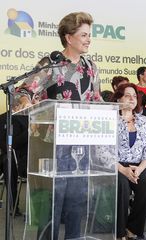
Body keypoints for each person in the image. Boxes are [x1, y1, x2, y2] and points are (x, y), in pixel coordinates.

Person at [25, 12, 103, 239]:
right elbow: (25, 90)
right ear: (69, 38)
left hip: (82, 142)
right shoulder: (51, 63)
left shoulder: (91, 67)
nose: (89, 39)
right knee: (54, 201)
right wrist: (25, 99)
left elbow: (96, 100)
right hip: (53, 145)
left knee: (77, 201)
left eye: (90, 35)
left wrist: (115, 110)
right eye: (84, 35)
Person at [111, 83, 146, 240]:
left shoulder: (145, 121)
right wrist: (123, 170)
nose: (132, 98)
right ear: (118, 99)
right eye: (127, 95)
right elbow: (102, 151)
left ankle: (132, 229)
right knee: (122, 186)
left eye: (134, 96)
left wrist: (139, 169)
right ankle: (119, 233)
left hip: (139, 166)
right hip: (115, 166)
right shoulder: (110, 119)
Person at [0, 89, 31, 216]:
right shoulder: (3, 118)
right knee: (9, 161)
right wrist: (29, 131)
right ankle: (13, 206)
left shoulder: (30, 117)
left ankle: (40, 208)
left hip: (29, 155)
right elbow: (6, 144)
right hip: (10, 155)